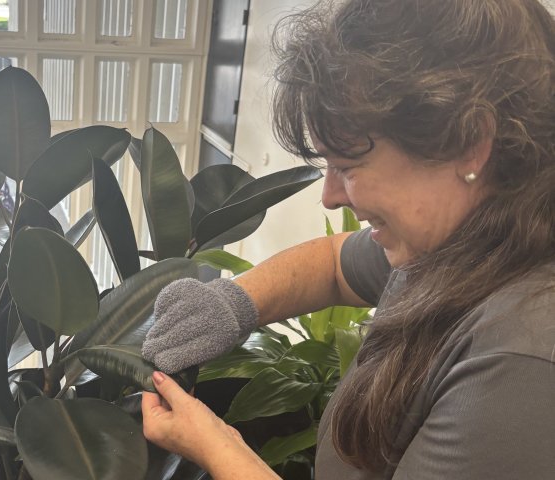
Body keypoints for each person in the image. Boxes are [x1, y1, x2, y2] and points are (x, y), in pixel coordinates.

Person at [140, 0, 555, 478]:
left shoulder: (521, 364)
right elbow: (337, 264)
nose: (330, 197)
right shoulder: (458, 242)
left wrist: (220, 450)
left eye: (349, 167)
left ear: (469, 143)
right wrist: (234, 303)